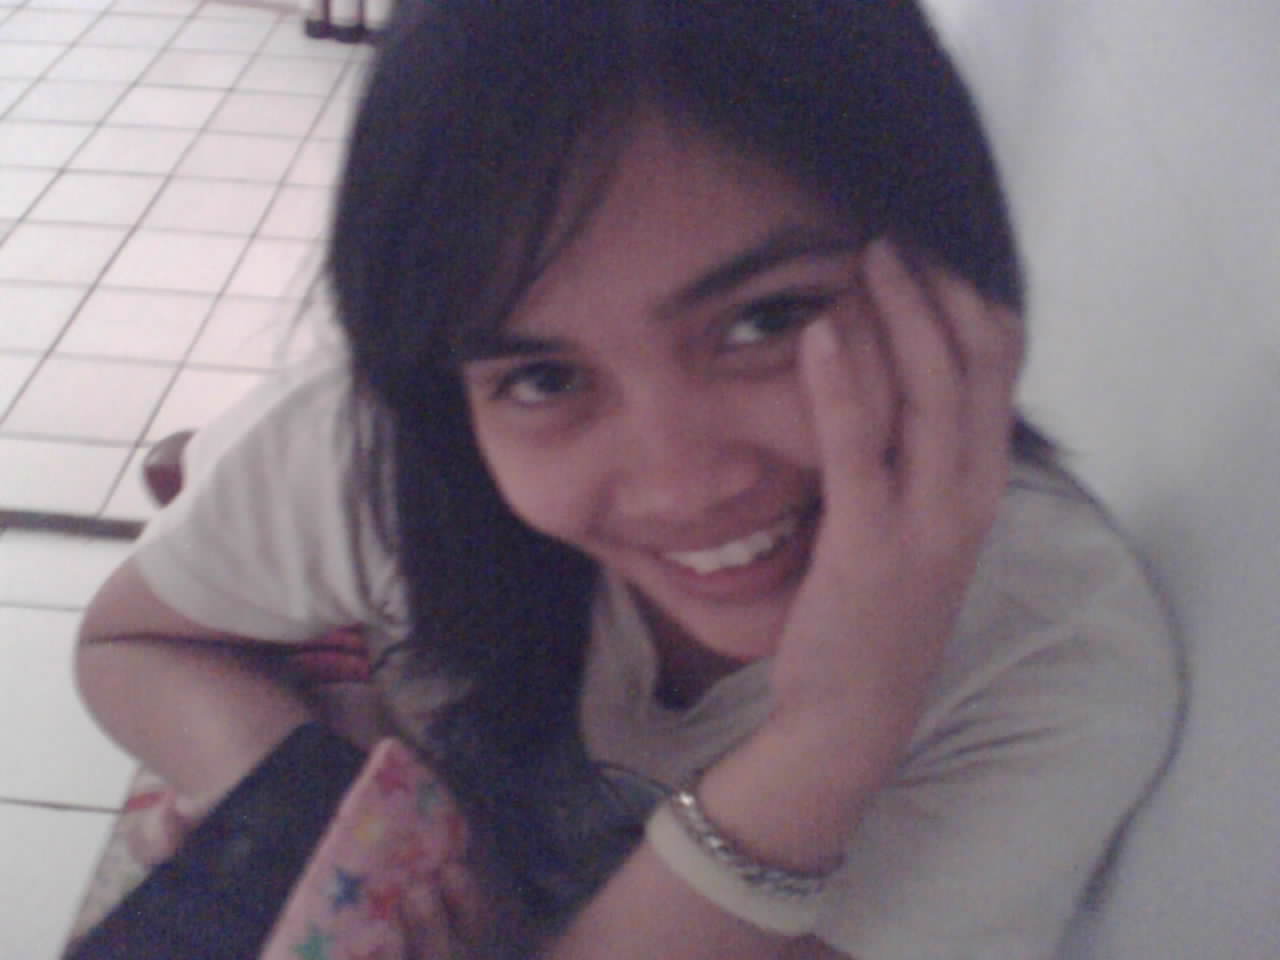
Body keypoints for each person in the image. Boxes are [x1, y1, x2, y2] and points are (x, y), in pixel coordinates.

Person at [75, 1, 1181, 957]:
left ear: (954, 273)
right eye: (542, 376)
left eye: (765, 319)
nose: (678, 484)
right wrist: (330, 821)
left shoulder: (1041, 657)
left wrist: (832, 737)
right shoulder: (376, 447)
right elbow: (134, 641)